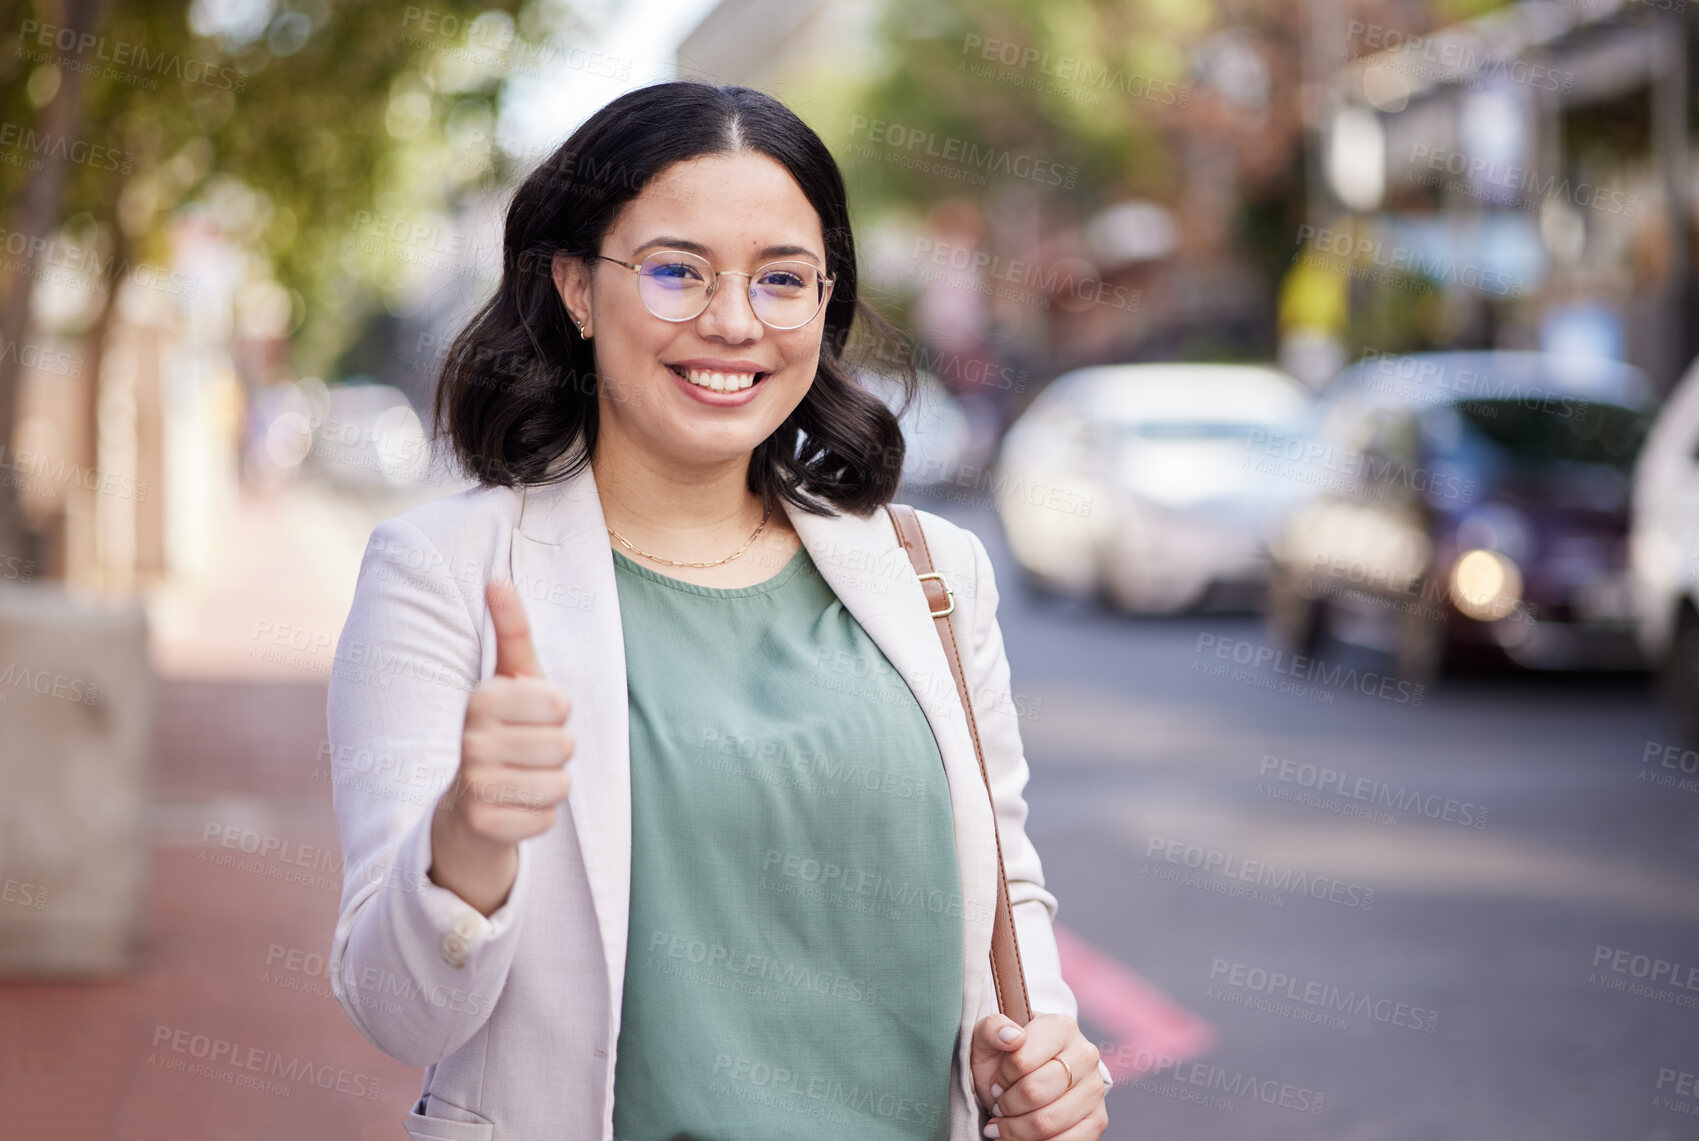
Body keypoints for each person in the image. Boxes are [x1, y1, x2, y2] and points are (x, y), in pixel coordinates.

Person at [326, 80, 1112, 1141]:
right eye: (674, 271)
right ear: (575, 287)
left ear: (824, 302)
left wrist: (1045, 1056)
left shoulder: (934, 574)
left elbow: (1007, 888)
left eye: (782, 279)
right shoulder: (442, 573)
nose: (733, 321)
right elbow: (399, 1006)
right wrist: (470, 831)